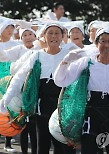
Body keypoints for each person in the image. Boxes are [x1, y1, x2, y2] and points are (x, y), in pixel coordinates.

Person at [53, 27, 109, 154]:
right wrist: (66, 61)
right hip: (92, 115)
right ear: (96, 44)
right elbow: (60, 80)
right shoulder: (87, 62)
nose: (106, 45)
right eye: (102, 41)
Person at [0, 23, 76, 154]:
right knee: (43, 145)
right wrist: (7, 98)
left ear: (63, 36)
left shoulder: (69, 53)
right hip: (43, 107)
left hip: (64, 108)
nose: (53, 36)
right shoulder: (37, 55)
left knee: (63, 147)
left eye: (57, 33)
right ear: (43, 37)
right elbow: (19, 77)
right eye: (50, 33)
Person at [0, 19, 21, 153]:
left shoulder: (17, 44)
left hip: (11, 79)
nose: (9, 30)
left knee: (10, 109)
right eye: (7, 27)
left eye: (12, 27)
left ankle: (7, 143)